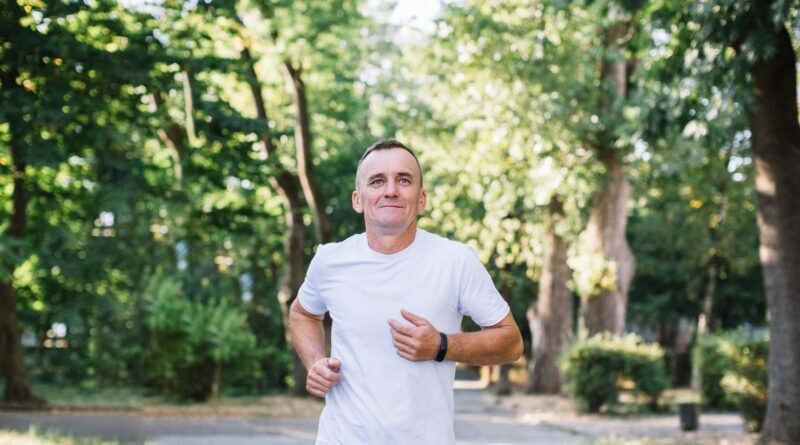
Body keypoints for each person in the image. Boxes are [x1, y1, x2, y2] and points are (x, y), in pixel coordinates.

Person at [289, 139, 523, 444]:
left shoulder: (455, 260)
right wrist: (315, 361)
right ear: (358, 200)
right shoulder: (330, 260)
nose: (390, 190)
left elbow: (512, 342)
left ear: (421, 198)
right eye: (377, 181)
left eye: (403, 180)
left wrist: (440, 345)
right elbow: (303, 313)